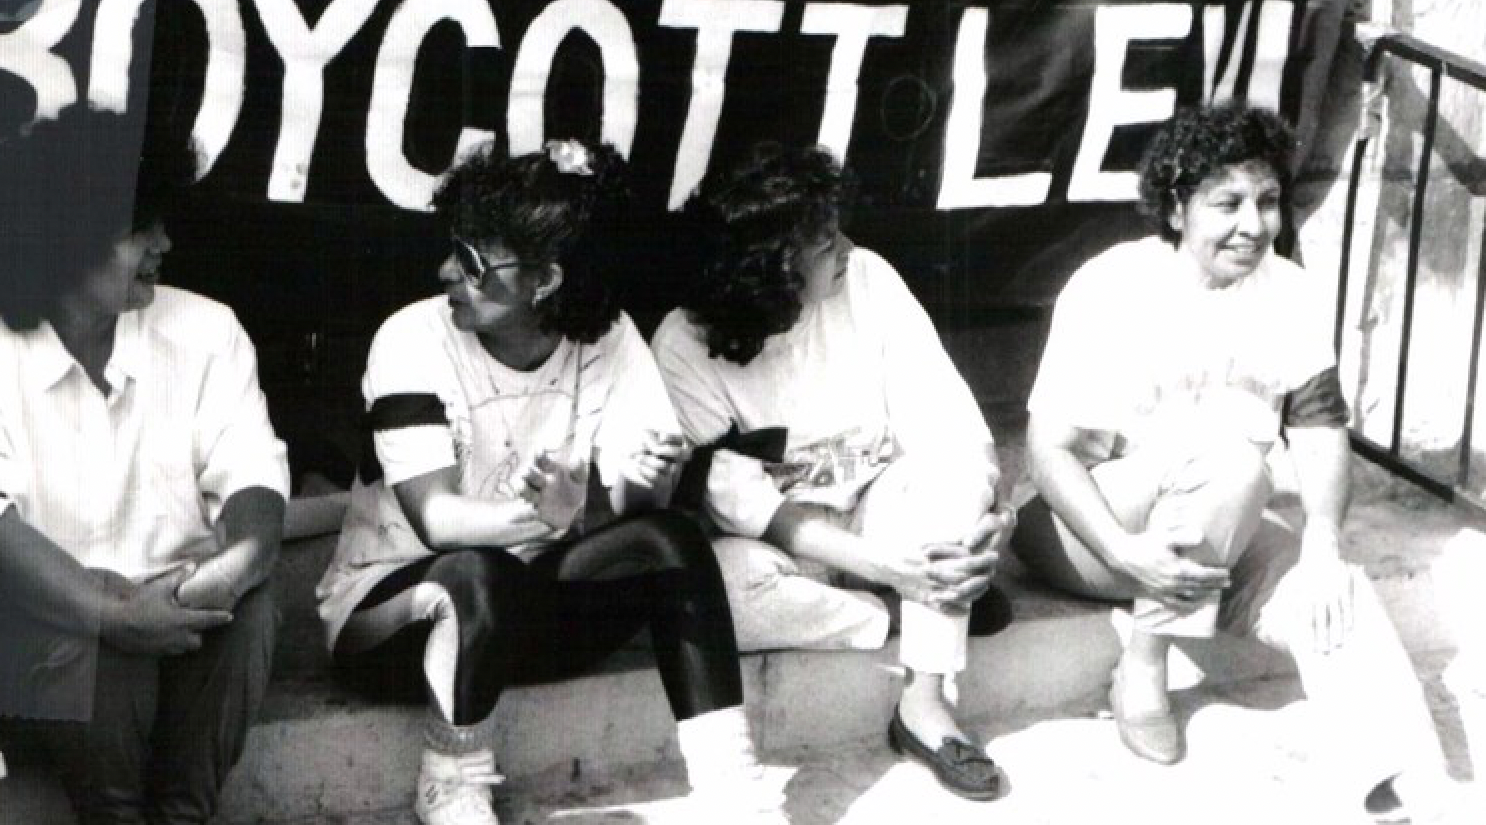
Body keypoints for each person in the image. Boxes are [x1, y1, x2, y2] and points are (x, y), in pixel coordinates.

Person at [1012, 101, 1472, 821]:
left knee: (1335, 591)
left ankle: (1408, 785)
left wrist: (1323, 541)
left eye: (1267, 201)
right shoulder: (1110, 285)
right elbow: (1049, 454)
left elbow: (1319, 431)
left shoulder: (1289, 291)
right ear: (1175, 208)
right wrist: (1126, 552)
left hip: (1213, 534)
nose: (1253, 225)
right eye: (1227, 204)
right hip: (1091, 531)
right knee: (1234, 463)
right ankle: (1144, 662)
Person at [316, 139, 787, 825]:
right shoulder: (411, 337)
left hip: (528, 611)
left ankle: (731, 786)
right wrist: (554, 516)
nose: (447, 271)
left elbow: (634, 506)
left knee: (671, 537)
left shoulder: (612, 339)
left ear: (546, 280)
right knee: (475, 574)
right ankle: (451, 783)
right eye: (455, 248)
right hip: (395, 620)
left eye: (472, 261)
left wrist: (641, 482)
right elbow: (437, 521)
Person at [652, 144, 1016, 802]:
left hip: (883, 511)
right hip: (787, 550)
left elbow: (951, 423)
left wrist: (990, 519)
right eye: (825, 245)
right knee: (715, 589)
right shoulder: (684, 342)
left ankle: (925, 705)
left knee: (953, 481)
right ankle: (912, 613)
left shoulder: (870, 278)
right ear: (770, 269)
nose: (846, 248)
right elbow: (745, 507)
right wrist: (896, 577)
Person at [0, 107, 289, 825]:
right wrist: (113, 613)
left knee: (253, 609)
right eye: (139, 229)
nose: (164, 243)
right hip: (45, 642)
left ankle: (183, 815)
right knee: (99, 652)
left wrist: (218, 581)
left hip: (180, 616)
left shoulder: (208, 330)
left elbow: (254, 480)